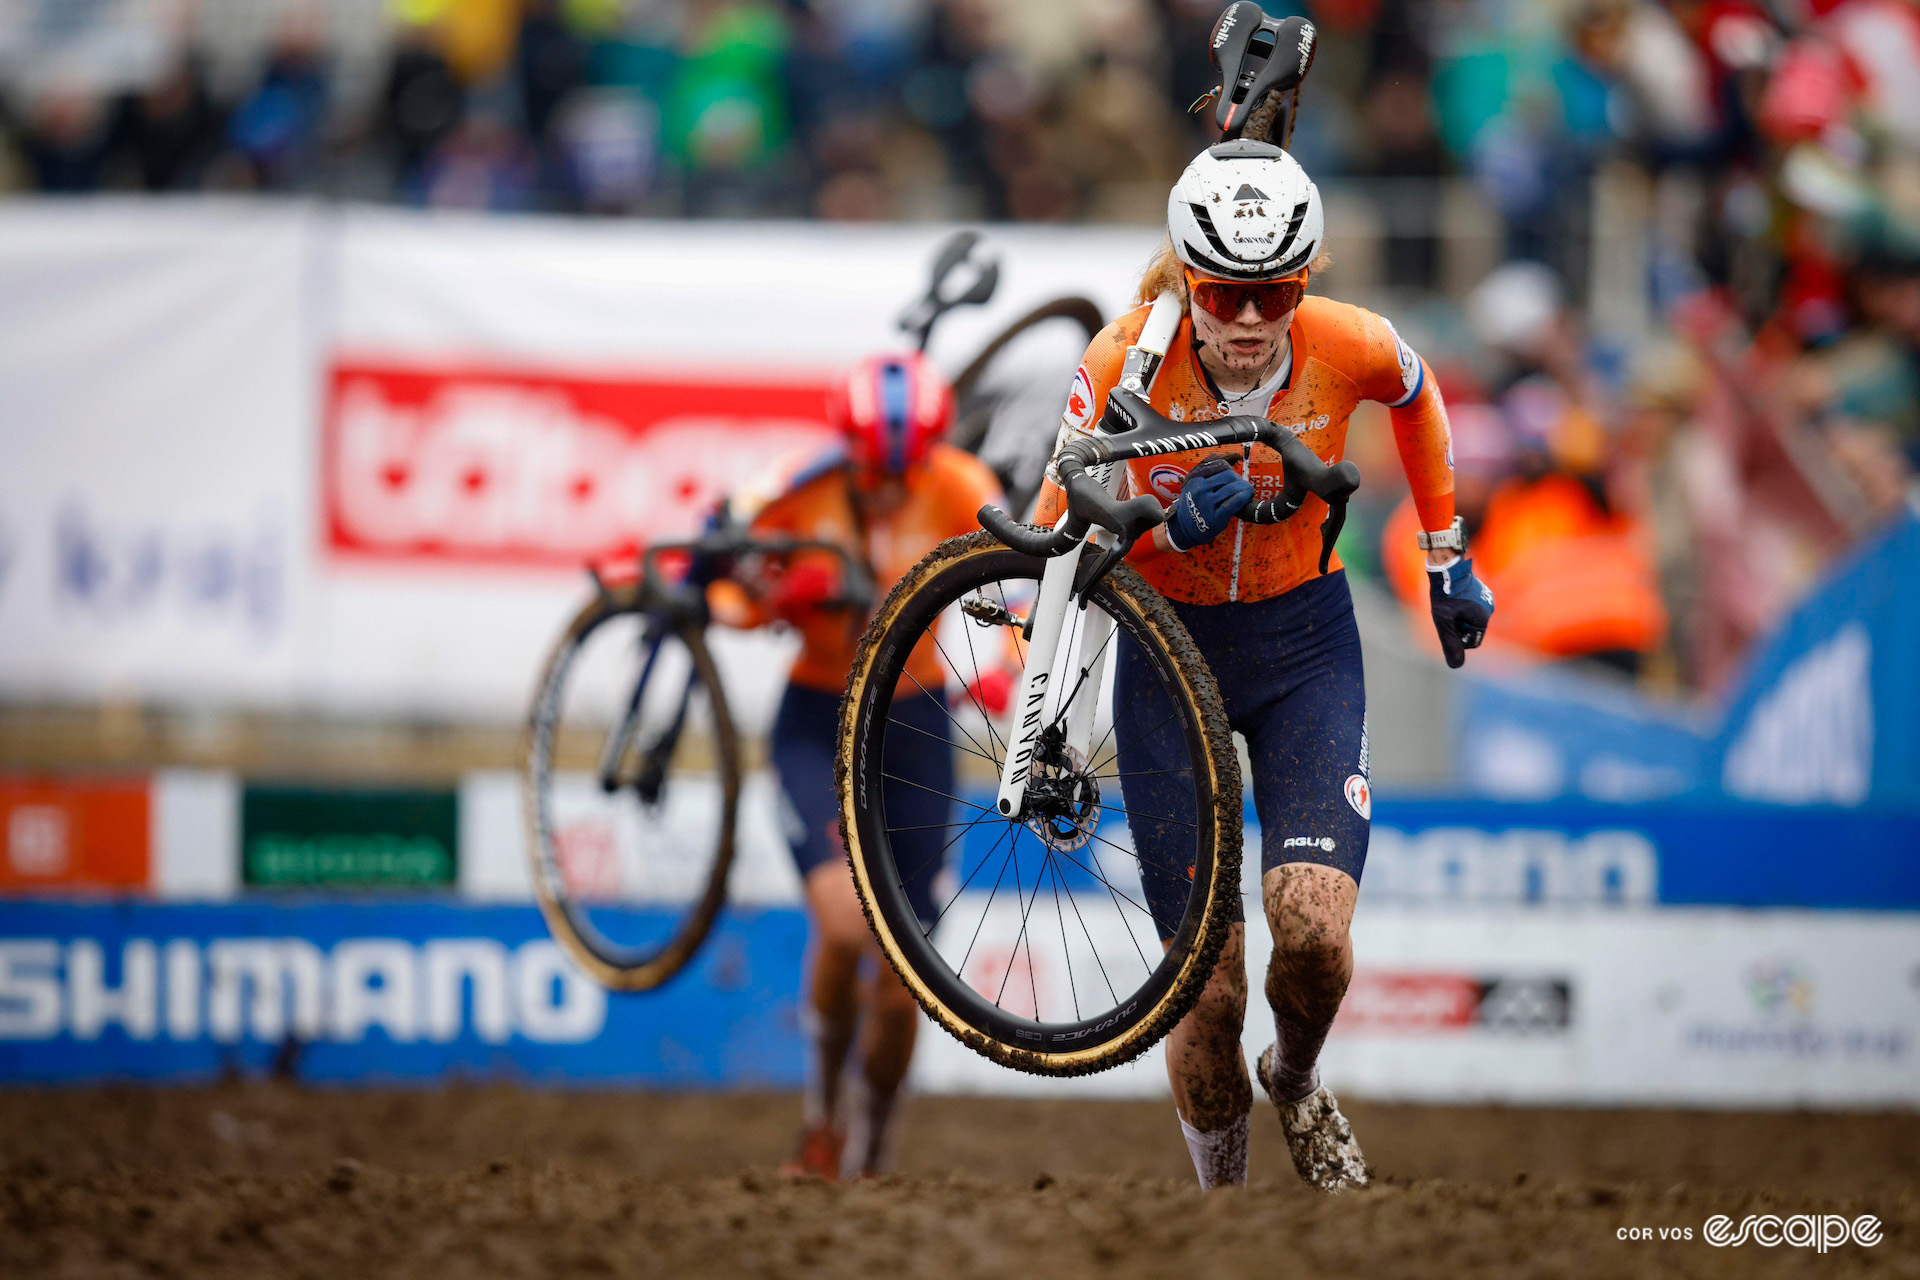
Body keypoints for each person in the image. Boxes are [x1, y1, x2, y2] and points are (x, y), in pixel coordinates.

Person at [1034, 140, 1495, 1193]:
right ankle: (1228, 1211)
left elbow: (1419, 398)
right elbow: (1056, 542)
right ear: (1188, 281)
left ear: (1306, 282)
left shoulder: (1348, 343)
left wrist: (1445, 552)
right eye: (1224, 294)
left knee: (1316, 931)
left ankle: (1296, 1076)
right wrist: (1154, 528)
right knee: (1205, 991)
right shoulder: (1121, 364)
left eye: (1273, 293)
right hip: (1169, 654)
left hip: (1303, 647)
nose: (1248, 321)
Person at [709, 353, 1006, 1180]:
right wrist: (775, 597)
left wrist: (1012, 666)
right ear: (847, 449)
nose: (888, 486)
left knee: (907, 979)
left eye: (904, 472)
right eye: (874, 470)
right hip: (817, 721)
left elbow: (1018, 586)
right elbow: (722, 591)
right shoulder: (795, 487)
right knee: (845, 926)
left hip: (916, 727)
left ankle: (871, 1154)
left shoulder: (957, 483)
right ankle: (821, 1118)